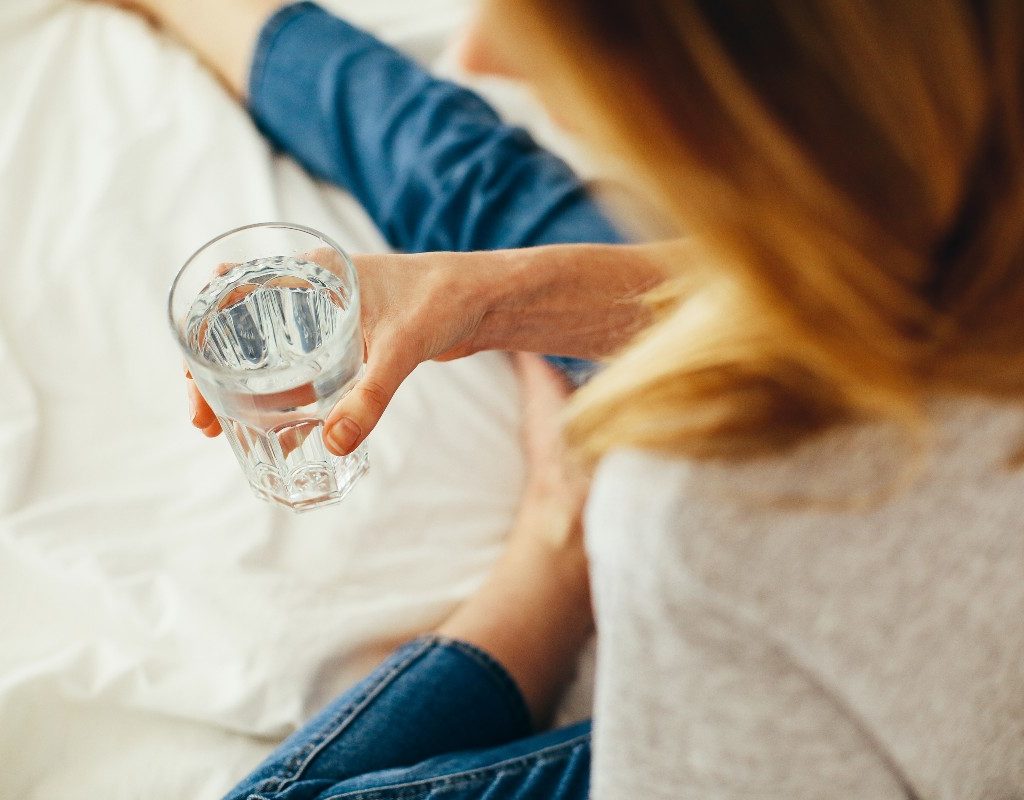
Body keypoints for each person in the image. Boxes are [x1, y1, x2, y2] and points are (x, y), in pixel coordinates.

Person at [103, 1, 1024, 798]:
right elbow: (890, 291)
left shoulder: (705, 524)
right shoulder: (976, 165)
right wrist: (496, 294)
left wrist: (612, 526)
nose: (480, 53)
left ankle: (553, 548)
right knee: (479, 196)